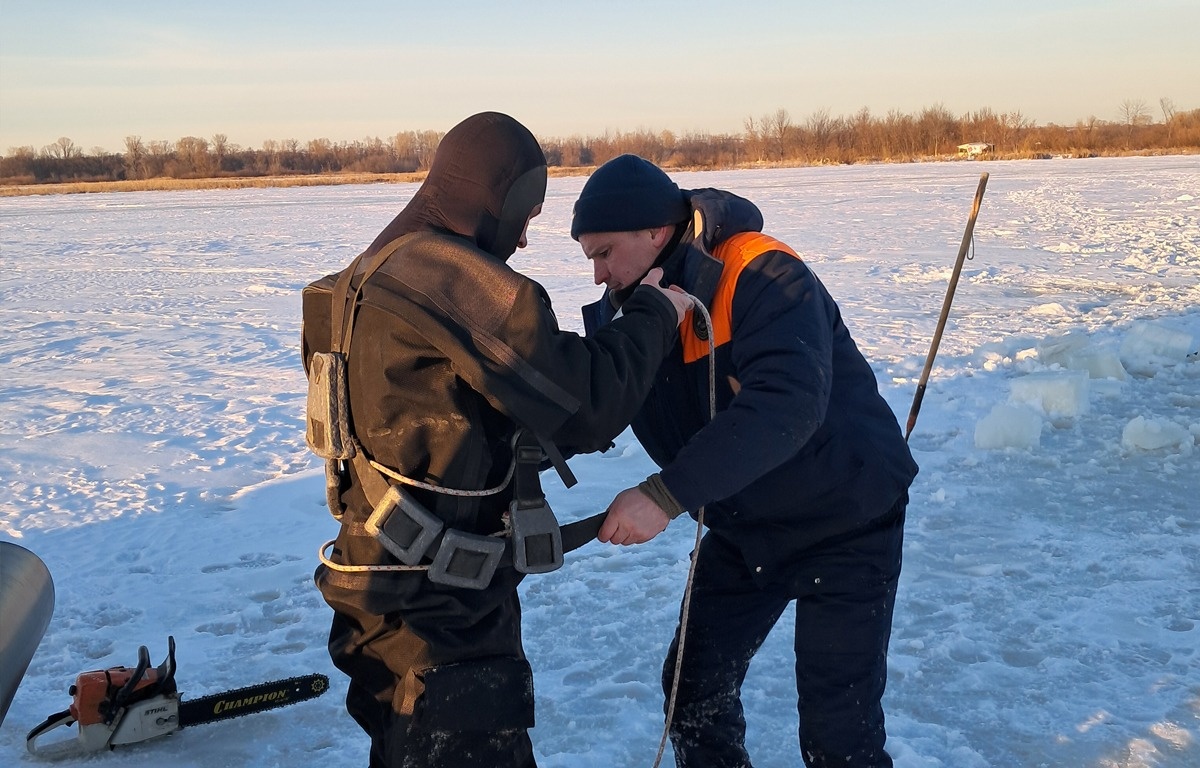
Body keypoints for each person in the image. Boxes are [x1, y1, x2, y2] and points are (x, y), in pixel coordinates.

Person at [301, 116, 690, 768]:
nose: (525, 237)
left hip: (369, 594)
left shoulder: (351, 284)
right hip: (440, 619)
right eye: (526, 213)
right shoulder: (456, 284)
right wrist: (655, 313)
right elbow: (586, 406)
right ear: (498, 196)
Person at [571, 154, 919, 767]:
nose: (597, 274)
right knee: (692, 693)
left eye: (604, 253)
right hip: (743, 525)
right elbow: (597, 403)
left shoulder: (761, 272)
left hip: (845, 516)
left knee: (839, 730)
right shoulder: (629, 303)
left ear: (655, 234)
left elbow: (785, 406)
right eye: (589, 257)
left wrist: (664, 494)